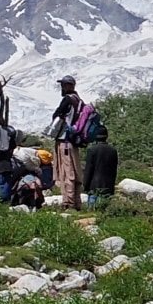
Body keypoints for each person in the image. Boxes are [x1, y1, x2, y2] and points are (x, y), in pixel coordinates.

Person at [49, 76, 87, 210]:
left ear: (70, 86)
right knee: (75, 172)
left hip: (65, 141)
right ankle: (76, 201)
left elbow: (58, 116)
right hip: (73, 142)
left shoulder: (67, 100)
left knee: (67, 172)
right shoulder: (79, 101)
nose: (62, 88)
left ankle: (69, 202)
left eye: (64, 85)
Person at [83, 126, 119, 207]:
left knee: (92, 211)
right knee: (104, 210)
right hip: (108, 186)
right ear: (107, 136)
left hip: (94, 186)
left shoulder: (92, 150)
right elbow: (114, 170)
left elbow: (88, 170)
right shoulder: (113, 151)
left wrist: (85, 185)